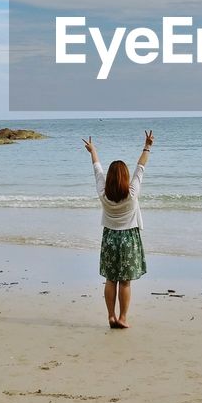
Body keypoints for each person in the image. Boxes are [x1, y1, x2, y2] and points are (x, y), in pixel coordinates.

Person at [82, 129, 154, 329]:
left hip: (110, 237)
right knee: (125, 282)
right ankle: (123, 318)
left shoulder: (103, 193)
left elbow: (97, 170)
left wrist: (93, 150)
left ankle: (111, 316)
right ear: (125, 177)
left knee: (110, 279)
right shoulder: (131, 193)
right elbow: (141, 167)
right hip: (129, 238)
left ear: (110, 179)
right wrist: (147, 146)